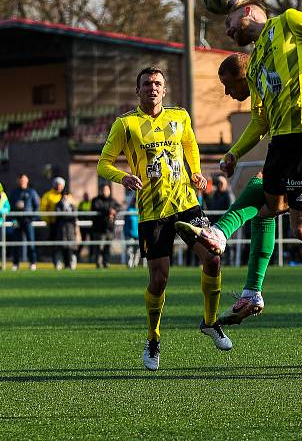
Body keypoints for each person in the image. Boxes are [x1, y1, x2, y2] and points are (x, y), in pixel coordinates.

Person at [177, 52, 302, 327]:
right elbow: (260, 123)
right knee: (267, 210)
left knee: (297, 222)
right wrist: (234, 153)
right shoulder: (263, 86)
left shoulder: (278, 74)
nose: (226, 92)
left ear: (244, 76)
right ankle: (251, 291)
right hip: (294, 148)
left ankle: (222, 235)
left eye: (228, 84)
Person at [97, 66, 232, 371]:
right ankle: (153, 338)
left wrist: (196, 173)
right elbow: (103, 164)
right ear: (138, 90)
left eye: (157, 83)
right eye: (147, 84)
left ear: (164, 89)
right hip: (152, 212)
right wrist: (123, 177)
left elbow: (190, 148)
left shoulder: (180, 117)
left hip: (186, 204)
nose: (153, 88)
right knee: (159, 279)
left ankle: (210, 321)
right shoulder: (126, 124)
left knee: (213, 257)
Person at [9, 174, 40, 271]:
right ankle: (15, 263)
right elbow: (10, 206)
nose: (22, 182)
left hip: (27, 220)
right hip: (17, 221)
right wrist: (15, 208)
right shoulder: (14, 192)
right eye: (21, 180)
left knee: (31, 242)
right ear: (18, 181)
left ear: (27, 181)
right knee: (16, 243)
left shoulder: (32, 192)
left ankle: (33, 263)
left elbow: (37, 206)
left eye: (24, 180)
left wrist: (32, 218)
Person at [91, 183, 119, 268]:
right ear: (100, 190)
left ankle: (106, 263)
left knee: (107, 247)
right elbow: (97, 208)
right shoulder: (96, 200)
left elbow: (119, 207)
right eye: (103, 190)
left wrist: (114, 211)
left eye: (107, 190)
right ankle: (98, 263)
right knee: (99, 248)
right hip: (99, 229)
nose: (105, 192)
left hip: (109, 228)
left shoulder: (113, 200)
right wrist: (109, 211)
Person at [40, 177, 65, 267]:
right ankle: (57, 261)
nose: (59, 187)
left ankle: (67, 261)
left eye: (61, 185)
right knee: (55, 244)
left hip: (64, 224)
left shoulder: (66, 195)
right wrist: (48, 220)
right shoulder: (48, 195)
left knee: (65, 243)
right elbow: (43, 209)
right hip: (54, 223)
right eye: (57, 184)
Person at [55, 190, 78, 270]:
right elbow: (59, 215)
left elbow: (74, 216)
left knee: (71, 248)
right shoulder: (58, 205)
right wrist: (68, 214)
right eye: (64, 195)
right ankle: (60, 264)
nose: (65, 197)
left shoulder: (72, 206)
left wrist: (66, 214)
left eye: (67, 195)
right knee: (61, 247)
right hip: (61, 229)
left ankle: (71, 263)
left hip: (71, 230)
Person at [123, 194, 140, 268]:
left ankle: (135, 264)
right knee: (130, 251)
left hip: (140, 234)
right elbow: (126, 223)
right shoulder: (129, 210)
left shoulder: (143, 210)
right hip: (130, 234)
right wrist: (126, 233)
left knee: (138, 251)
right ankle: (130, 265)